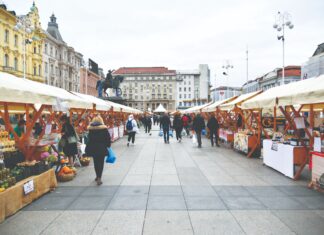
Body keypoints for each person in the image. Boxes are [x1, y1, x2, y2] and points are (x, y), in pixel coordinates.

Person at [85, 116, 111, 186]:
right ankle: (99, 177)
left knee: (96, 163)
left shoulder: (91, 130)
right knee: (101, 163)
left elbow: (89, 139)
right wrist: (108, 145)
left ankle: (97, 176)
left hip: (93, 148)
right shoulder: (104, 129)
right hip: (102, 148)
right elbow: (108, 138)